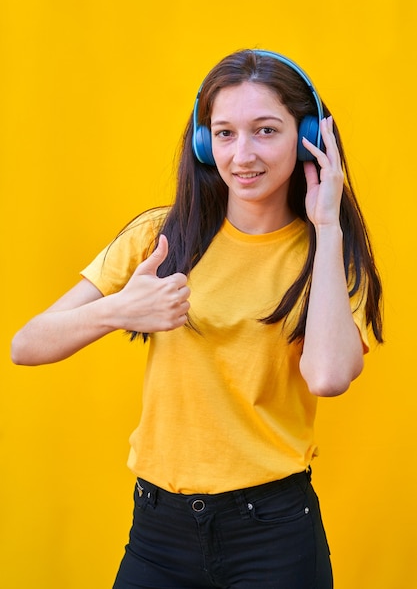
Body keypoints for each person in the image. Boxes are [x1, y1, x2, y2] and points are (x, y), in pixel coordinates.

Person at [11, 49, 383, 589]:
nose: (243, 154)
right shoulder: (158, 237)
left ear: (308, 137)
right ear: (204, 143)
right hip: (158, 534)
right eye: (225, 133)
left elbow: (329, 376)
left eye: (266, 130)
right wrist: (119, 309)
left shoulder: (332, 257)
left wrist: (328, 225)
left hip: (274, 535)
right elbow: (26, 345)